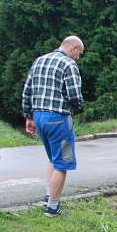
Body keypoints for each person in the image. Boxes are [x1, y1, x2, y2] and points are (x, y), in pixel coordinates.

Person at [22, 35, 85, 217]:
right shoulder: (69, 65)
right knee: (63, 162)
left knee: (53, 158)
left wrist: (29, 116)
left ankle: (49, 197)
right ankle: (53, 208)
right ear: (73, 48)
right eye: (79, 53)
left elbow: (28, 90)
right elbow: (74, 95)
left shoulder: (39, 61)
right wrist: (78, 108)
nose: (78, 57)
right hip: (58, 119)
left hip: (39, 116)